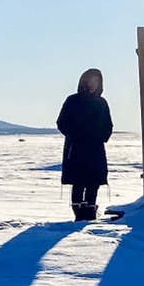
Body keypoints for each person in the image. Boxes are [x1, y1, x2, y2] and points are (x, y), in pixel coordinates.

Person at [56, 68, 113, 221]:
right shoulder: (72, 100)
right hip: (76, 149)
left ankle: (90, 212)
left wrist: (101, 136)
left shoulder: (101, 103)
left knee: (94, 181)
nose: (93, 84)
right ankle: (79, 213)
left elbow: (108, 125)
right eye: (91, 80)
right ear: (84, 81)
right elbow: (62, 122)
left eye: (97, 81)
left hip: (95, 149)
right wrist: (75, 134)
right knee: (79, 181)